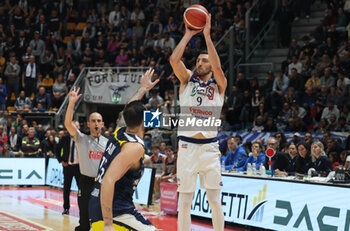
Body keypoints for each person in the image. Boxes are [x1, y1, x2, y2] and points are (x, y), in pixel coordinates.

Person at [169, 13, 227, 231]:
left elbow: (219, 69)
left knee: (214, 200)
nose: (200, 63)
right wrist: (187, 34)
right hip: (187, 147)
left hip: (210, 149)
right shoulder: (187, 79)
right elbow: (174, 60)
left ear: (211, 64)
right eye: (198, 60)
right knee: (184, 202)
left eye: (205, 60)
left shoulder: (219, 84)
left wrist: (208, 37)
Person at [89, 68, 159, 231]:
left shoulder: (119, 131)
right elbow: (108, 180)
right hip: (115, 211)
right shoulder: (135, 147)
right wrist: (108, 224)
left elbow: (129, 108)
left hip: (98, 203)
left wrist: (142, 89)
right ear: (143, 121)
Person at [65, 87, 109, 231]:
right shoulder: (81, 138)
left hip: (102, 184)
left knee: (102, 219)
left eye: (99, 121)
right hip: (85, 182)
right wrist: (71, 103)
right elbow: (67, 124)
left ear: (102, 124)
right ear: (88, 124)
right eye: (93, 121)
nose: (96, 123)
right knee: (84, 220)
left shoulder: (108, 143)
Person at [56, 122, 81, 216]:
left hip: (79, 167)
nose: (76, 129)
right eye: (74, 127)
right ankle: (66, 208)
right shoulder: (65, 137)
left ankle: (82, 208)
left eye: (77, 127)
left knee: (81, 189)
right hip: (68, 166)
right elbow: (57, 149)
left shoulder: (82, 138)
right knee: (66, 188)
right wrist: (61, 160)